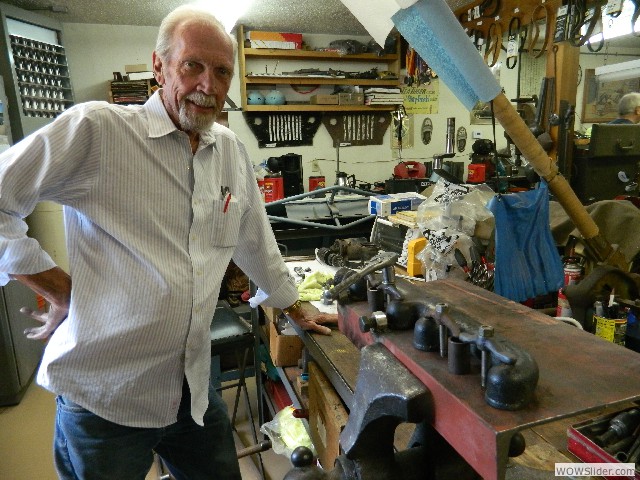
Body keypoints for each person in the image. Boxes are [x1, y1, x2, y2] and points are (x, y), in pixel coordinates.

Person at [0, 5, 334, 480]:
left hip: (190, 389)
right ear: (158, 67)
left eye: (222, 72)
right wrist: (61, 288)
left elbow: (253, 239)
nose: (209, 85)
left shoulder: (230, 150)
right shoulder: (99, 130)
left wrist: (293, 305)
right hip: (106, 400)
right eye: (192, 65)